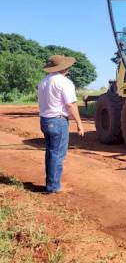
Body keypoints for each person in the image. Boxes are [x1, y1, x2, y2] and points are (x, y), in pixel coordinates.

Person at [38, 55, 84, 193]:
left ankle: (51, 183)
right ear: (64, 67)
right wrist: (79, 123)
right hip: (58, 121)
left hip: (45, 120)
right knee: (57, 154)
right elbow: (70, 104)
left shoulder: (43, 82)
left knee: (50, 153)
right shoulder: (65, 82)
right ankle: (53, 187)